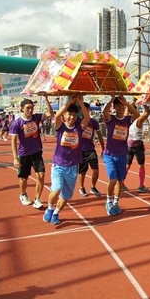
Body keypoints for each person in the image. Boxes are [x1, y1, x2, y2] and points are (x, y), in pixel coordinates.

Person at [43, 96, 85, 226]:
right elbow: (56, 116)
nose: (72, 117)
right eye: (69, 114)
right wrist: (69, 102)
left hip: (73, 167)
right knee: (56, 189)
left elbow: (87, 118)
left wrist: (80, 102)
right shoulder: (60, 126)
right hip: (59, 165)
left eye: (74, 115)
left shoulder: (79, 127)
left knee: (66, 196)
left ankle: (56, 213)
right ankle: (50, 208)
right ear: (65, 116)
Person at [10, 96, 54, 209]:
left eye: (32, 108)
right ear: (22, 109)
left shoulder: (37, 117)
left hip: (36, 152)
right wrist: (15, 158)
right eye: (28, 108)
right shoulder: (17, 123)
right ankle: (23, 194)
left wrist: (46, 98)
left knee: (41, 175)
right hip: (23, 154)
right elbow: (13, 141)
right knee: (23, 178)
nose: (30, 110)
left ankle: (37, 199)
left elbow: (50, 113)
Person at [102, 95, 140, 216]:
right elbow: (105, 112)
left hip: (122, 155)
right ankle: (108, 201)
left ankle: (116, 202)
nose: (121, 107)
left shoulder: (127, 120)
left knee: (120, 181)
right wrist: (112, 98)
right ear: (114, 107)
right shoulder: (111, 119)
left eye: (122, 106)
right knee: (113, 179)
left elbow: (138, 115)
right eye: (118, 105)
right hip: (110, 154)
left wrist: (127, 104)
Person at [78, 101, 105, 198]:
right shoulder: (77, 121)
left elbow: (100, 135)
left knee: (96, 170)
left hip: (90, 149)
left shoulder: (94, 122)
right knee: (82, 171)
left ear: (89, 110)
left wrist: (103, 148)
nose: (85, 111)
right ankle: (81, 187)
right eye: (83, 109)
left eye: (87, 109)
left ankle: (93, 187)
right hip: (80, 150)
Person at [123, 104, 150, 193]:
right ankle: (141, 186)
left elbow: (126, 113)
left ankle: (121, 183)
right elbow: (148, 112)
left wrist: (128, 106)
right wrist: (145, 103)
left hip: (129, 144)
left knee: (127, 165)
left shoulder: (126, 121)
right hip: (137, 145)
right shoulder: (138, 121)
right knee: (141, 165)